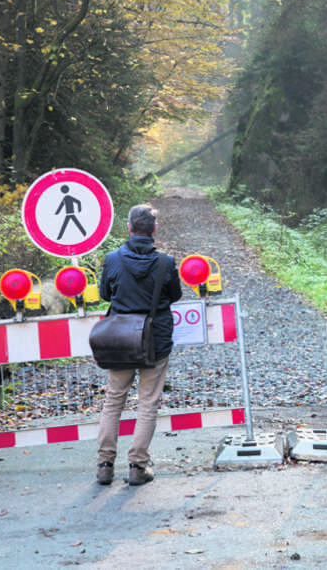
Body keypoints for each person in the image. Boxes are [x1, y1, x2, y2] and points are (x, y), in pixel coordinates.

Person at [96, 204, 183, 486]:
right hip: (154, 342)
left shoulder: (112, 259)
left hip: (120, 340)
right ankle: (137, 466)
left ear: (130, 228)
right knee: (147, 404)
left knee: (113, 400)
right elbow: (175, 295)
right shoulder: (166, 262)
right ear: (154, 229)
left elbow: (104, 294)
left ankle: (105, 464)